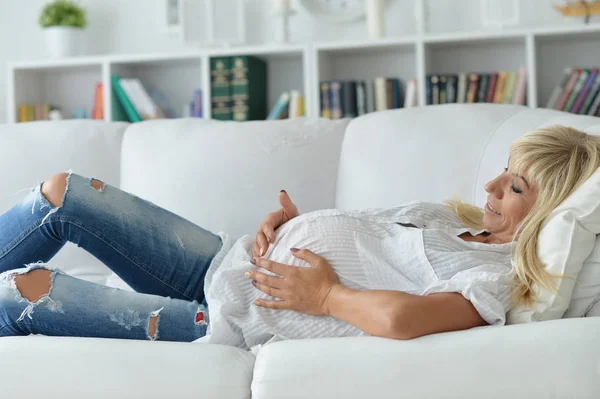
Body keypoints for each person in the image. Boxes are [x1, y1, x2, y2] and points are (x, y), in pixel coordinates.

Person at [0, 125, 598, 348]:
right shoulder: (450, 220)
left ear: (549, 216)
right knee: (63, 191)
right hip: (225, 260)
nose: (492, 183)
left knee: (20, 294)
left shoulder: (493, 279)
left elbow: (401, 321)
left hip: (227, 320)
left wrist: (325, 298)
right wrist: (287, 227)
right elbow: (361, 241)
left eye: (515, 186)